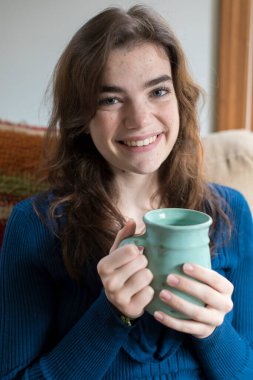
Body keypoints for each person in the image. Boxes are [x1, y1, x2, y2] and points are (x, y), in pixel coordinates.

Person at [0, 5, 253, 380]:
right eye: (111, 99)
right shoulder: (35, 226)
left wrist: (212, 330)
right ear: (81, 117)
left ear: (180, 98)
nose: (140, 120)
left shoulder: (231, 211)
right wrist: (110, 315)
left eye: (158, 91)